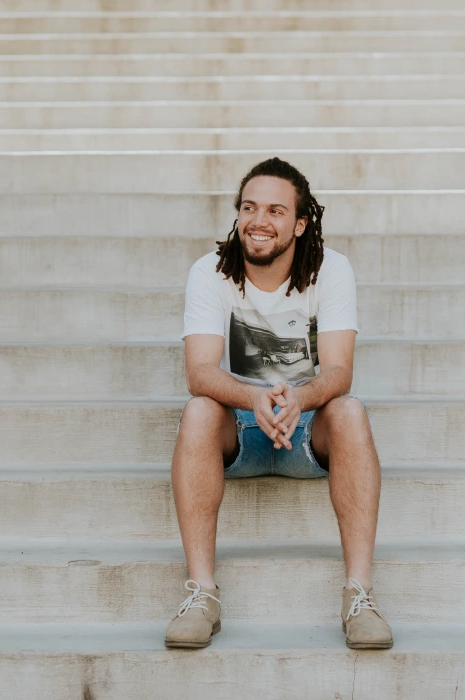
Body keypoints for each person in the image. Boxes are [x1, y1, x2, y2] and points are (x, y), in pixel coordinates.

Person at [166, 157, 392, 651]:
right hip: (240, 429)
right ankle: (202, 594)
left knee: (350, 410)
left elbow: (338, 371)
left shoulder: (330, 270)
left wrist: (298, 400)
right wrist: (253, 398)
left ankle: (360, 596)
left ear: (301, 222)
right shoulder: (211, 271)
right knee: (200, 409)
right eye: (249, 207)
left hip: (306, 425)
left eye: (275, 209)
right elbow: (199, 372)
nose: (259, 220)